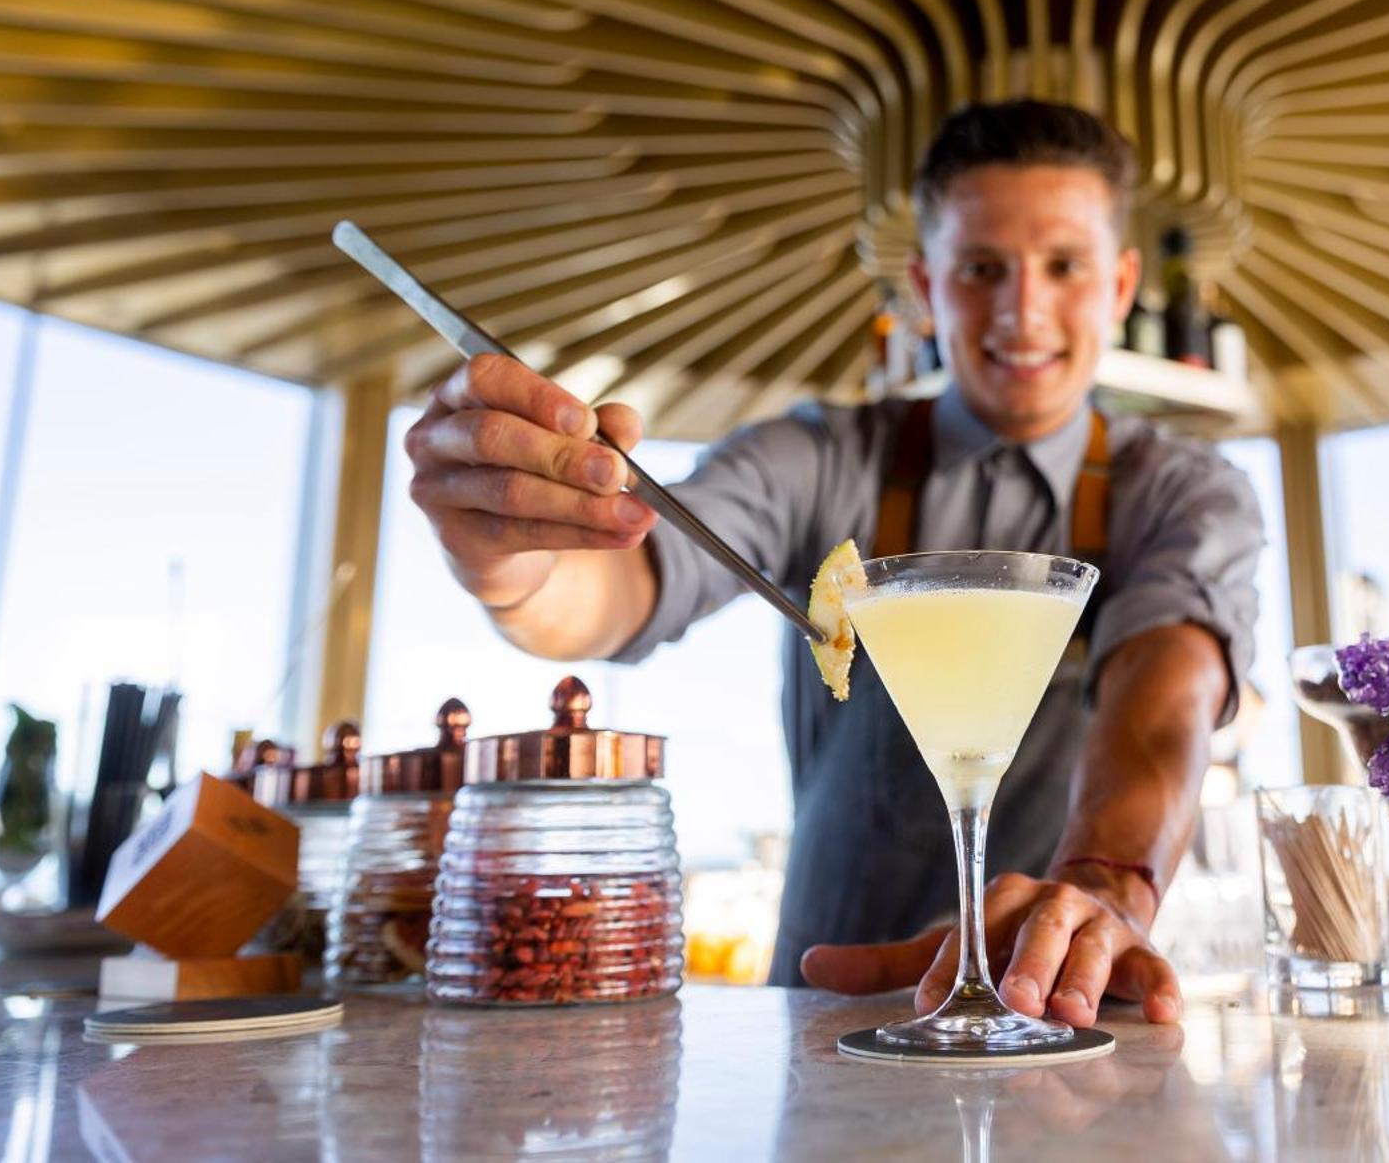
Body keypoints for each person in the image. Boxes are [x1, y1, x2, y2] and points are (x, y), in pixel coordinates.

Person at [404, 100, 1264, 1027]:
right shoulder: (823, 457)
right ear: (925, 285)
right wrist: (516, 559)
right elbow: (626, 585)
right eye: (981, 269)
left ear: (1122, 283)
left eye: (1065, 265)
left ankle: (989, 971)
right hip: (824, 1028)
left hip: (1062, 1021)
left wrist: (1104, 887)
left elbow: (1167, 682)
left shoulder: (1183, 489)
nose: (1023, 308)